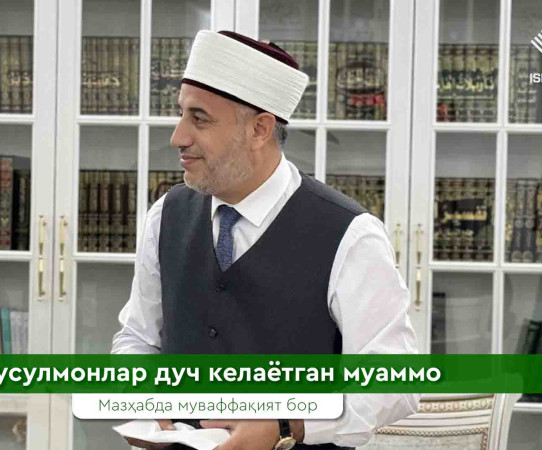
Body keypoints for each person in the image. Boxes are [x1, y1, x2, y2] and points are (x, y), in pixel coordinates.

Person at [111, 30, 419, 450]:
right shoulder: (166, 215)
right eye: (181, 114)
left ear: (259, 129)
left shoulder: (351, 235)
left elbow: (396, 385)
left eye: (199, 119)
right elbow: (137, 339)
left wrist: (287, 424)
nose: (178, 136)